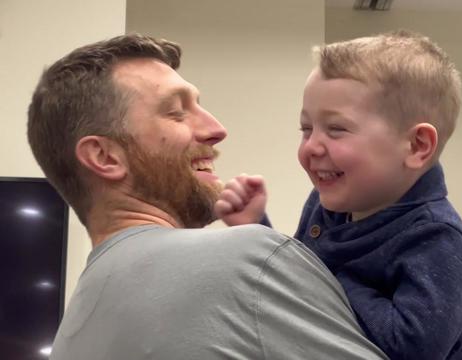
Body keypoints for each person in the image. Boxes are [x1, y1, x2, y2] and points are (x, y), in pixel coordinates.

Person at [27, 33, 388, 360]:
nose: (217, 129)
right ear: (104, 157)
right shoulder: (248, 262)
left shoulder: (73, 331)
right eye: (177, 112)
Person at [216, 30, 462, 359]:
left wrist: (324, 276)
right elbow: (296, 285)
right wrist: (256, 226)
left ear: (416, 146)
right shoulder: (325, 206)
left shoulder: (436, 237)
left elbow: (412, 348)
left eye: (336, 129)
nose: (312, 146)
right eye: (306, 129)